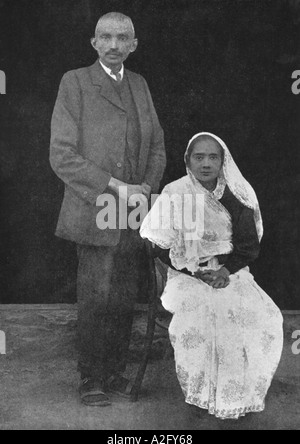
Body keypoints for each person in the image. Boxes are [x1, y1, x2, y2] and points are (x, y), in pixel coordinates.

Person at [50, 12, 166, 406]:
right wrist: (118, 186)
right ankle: (91, 378)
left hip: (133, 213)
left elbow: (157, 146)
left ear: (134, 45)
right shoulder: (75, 83)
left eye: (122, 38)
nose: (114, 45)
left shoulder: (139, 84)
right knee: (96, 297)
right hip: (94, 208)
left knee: (123, 297)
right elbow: (61, 155)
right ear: (93, 43)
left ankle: (115, 373)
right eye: (106, 37)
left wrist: (146, 189)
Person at [140, 132, 283, 420]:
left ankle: (236, 394)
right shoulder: (174, 192)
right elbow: (157, 245)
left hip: (230, 271)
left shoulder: (236, 194)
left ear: (223, 161)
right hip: (186, 275)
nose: (206, 163)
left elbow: (247, 247)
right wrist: (192, 271)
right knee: (203, 312)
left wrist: (225, 271)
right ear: (188, 161)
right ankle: (204, 393)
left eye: (213, 157)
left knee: (260, 314)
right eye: (199, 157)